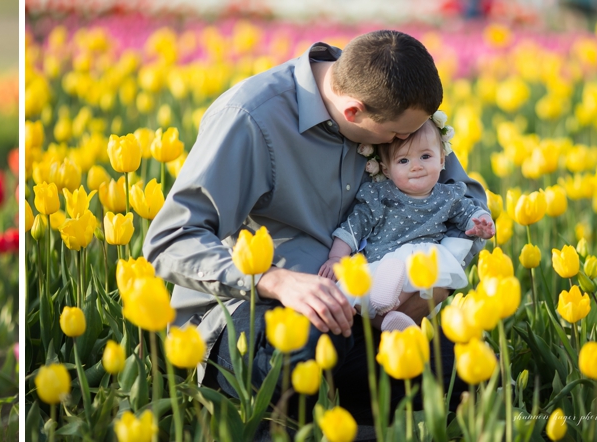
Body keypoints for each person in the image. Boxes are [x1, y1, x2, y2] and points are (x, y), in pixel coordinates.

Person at [144, 30, 485, 425]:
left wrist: (435, 282)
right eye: (396, 137)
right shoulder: (251, 118)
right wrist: (275, 281)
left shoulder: (389, 99)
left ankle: (338, 422)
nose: (404, 144)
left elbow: (468, 202)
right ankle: (292, 422)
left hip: (363, 307)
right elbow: (171, 239)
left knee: (469, 368)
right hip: (256, 308)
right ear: (354, 112)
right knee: (302, 345)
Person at [320, 120, 495, 331]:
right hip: (381, 264)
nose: (416, 166)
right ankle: (387, 313)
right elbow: (354, 227)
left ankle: (389, 312)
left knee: (426, 279)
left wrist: (482, 223)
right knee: (356, 297)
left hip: (422, 264)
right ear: (386, 170)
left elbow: (468, 213)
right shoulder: (380, 196)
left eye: (425, 156)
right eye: (403, 161)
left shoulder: (447, 196)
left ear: (441, 160)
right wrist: (337, 258)